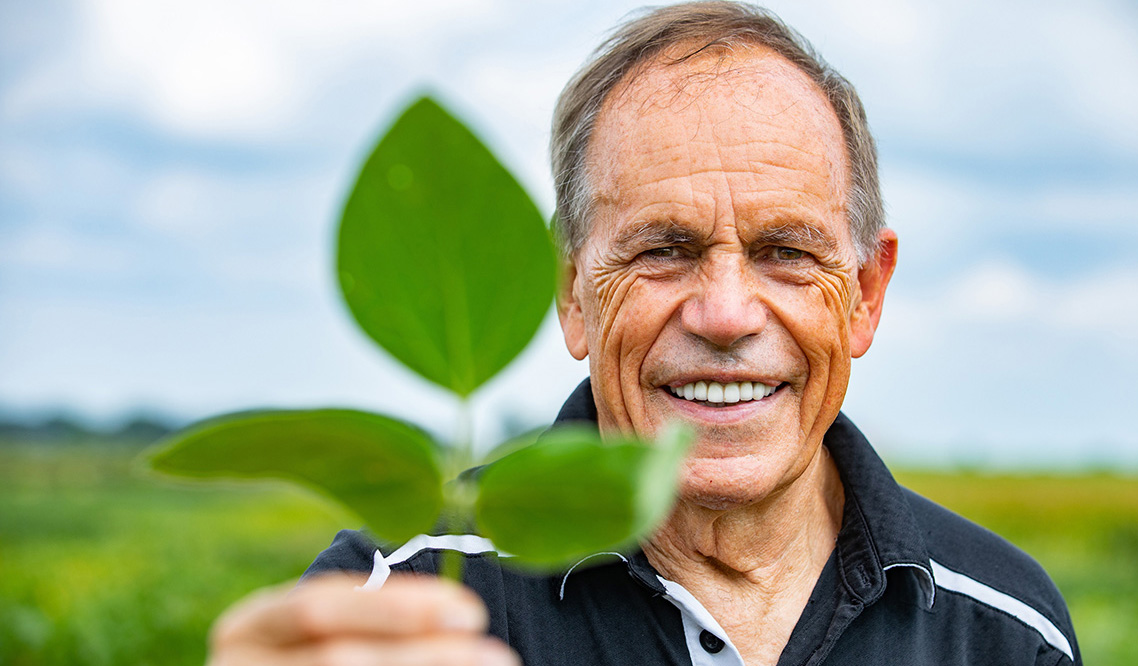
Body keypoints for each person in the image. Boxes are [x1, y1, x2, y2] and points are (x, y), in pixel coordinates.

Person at [207, 2, 1081, 665]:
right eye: (665, 250)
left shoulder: (1001, 627)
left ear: (864, 294)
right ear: (572, 293)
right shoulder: (403, 604)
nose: (728, 315)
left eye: (785, 252)